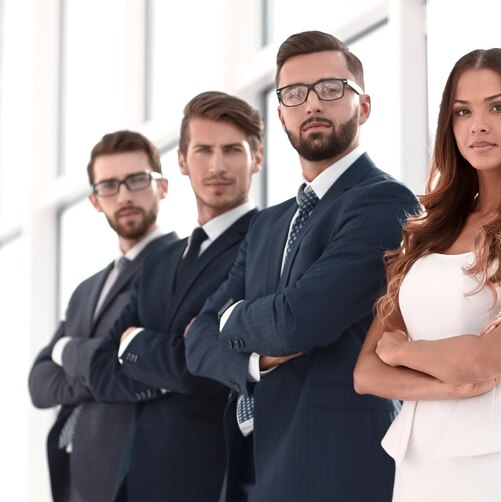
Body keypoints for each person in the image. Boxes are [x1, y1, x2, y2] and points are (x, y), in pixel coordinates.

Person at [184, 31, 418, 502]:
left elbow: (297, 321)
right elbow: (195, 341)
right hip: (256, 469)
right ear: (281, 114)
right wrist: (254, 360)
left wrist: (232, 318)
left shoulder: (384, 202)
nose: (312, 104)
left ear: (364, 106)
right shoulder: (266, 225)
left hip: (339, 466)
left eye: (331, 89)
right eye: (294, 94)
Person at [353, 48, 501, 502]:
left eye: (497, 107)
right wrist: (453, 381)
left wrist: (404, 349)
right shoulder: (427, 231)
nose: (477, 125)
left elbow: (487, 361)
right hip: (419, 468)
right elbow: (367, 372)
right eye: (463, 111)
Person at [88, 91, 262, 502]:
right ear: (182, 161)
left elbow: (207, 370)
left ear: (256, 157)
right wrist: (174, 363)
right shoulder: (160, 260)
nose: (217, 166)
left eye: (232, 150)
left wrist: (135, 344)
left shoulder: (267, 243)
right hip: (139, 481)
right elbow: (99, 367)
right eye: (203, 150)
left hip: (213, 480)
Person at [28, 130, 177, 502]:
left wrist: (68, 352)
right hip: (76, 478)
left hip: (137, 475)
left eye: (136, 180)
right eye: (109, 186)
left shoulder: (178, 268)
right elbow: (39, 381)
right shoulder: (86, 290)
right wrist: (100, 376)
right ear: (95, 200)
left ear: (162, 187)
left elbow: (141, 367)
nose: (124, 195)